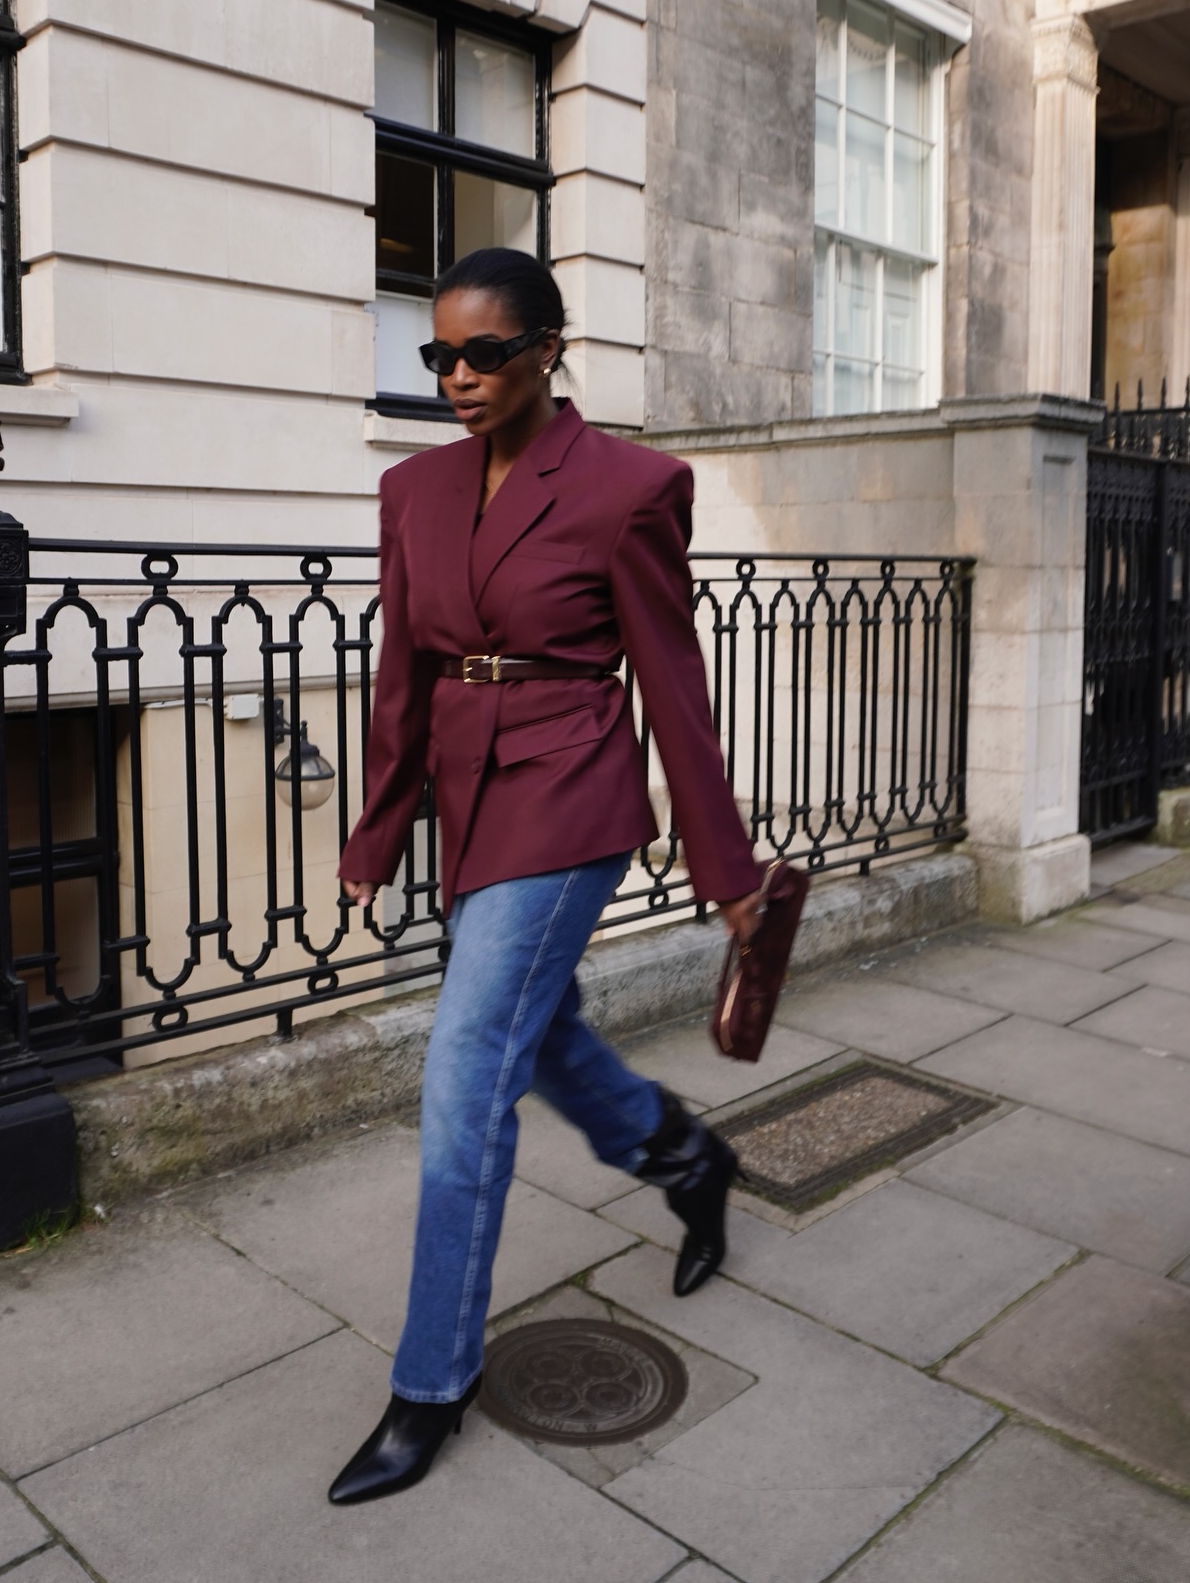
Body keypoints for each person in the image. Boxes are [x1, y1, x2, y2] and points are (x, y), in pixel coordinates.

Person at [328, 248, 762, 1508]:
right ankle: (685, 1158)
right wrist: (376, 832)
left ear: (548, 350)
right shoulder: (413, 489)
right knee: (542, 1027)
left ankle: (430, 1383)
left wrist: (722, 866)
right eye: (439, 358)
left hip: (573, 794)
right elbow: (402, 674)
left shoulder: (631, 486)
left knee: (467, 1071)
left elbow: (670, 685)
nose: (458, 379)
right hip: (469, 802)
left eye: (485, 355)